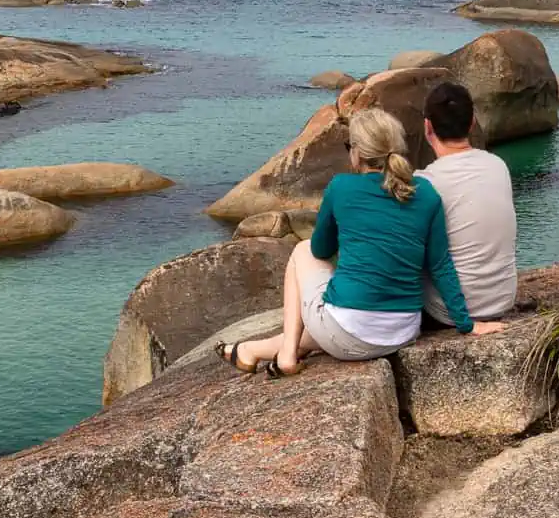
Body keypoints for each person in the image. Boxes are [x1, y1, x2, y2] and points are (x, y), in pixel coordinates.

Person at [220, 107, 504, 376]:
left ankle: (287, 355)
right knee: (344, 324)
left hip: (347, 332)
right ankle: (250, 350)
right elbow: (441, 265)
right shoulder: (426, 193)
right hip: (403, 332)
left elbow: (320, 249)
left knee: (300, 250)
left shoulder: (342, 187)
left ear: (356, 153)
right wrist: (467, 325)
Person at [415, 82, 518, 325]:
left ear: (427, 126)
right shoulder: (497, 165)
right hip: (502, 299)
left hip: (448, 310)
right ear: (472, 122)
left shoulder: (425, 182)